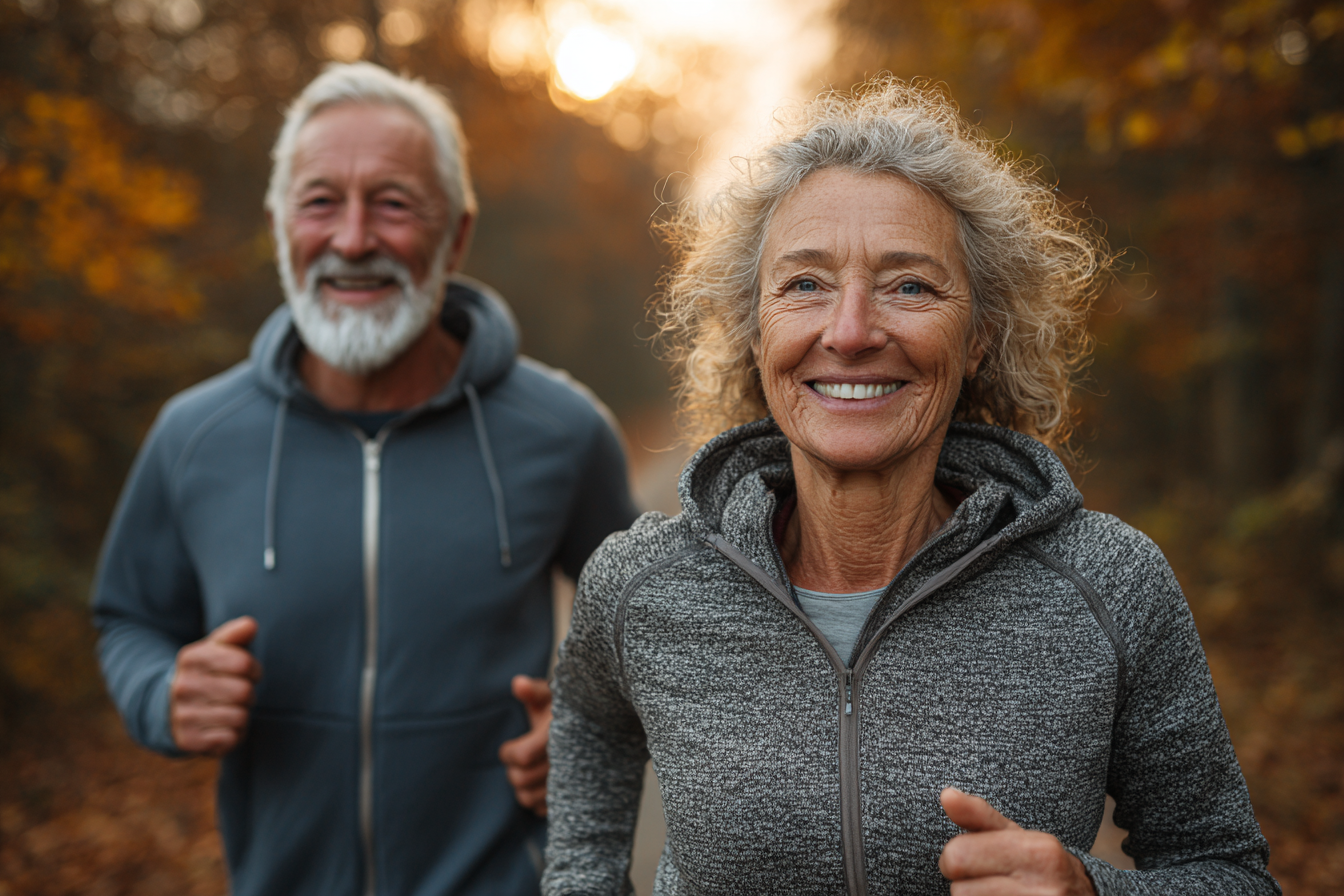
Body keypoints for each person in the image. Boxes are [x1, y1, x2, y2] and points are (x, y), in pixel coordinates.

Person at [542, 78, 1280, 895]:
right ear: (755, 334)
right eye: (805, 284)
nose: (851, 331)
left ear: (977, 341)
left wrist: (1091, 892)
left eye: (910, 286)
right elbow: (586, 727)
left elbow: (1230, 872)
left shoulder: (1111, 583)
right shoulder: (641, 584)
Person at [93, 62, 637, 896]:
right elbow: (128, 617)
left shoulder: (560, 430)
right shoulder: (193, 437)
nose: (352, 240)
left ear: (454, 233)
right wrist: (160, 691)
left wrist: (592, 725)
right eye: (320, 202)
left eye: (391, 202)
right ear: (280, 225)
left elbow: (659, 631)